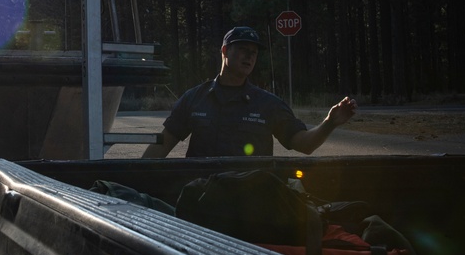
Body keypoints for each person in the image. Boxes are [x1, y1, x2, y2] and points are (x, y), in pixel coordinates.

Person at [143, 26, 357, 158]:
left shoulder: (267, 104)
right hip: (202, 198)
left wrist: (329, 123)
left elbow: (304, 144)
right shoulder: (194, 99)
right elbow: (161, 147)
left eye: (254, 53)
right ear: (225, 51)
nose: (250, 57)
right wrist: (135, 182)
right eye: (243, 50)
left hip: (252, 200)